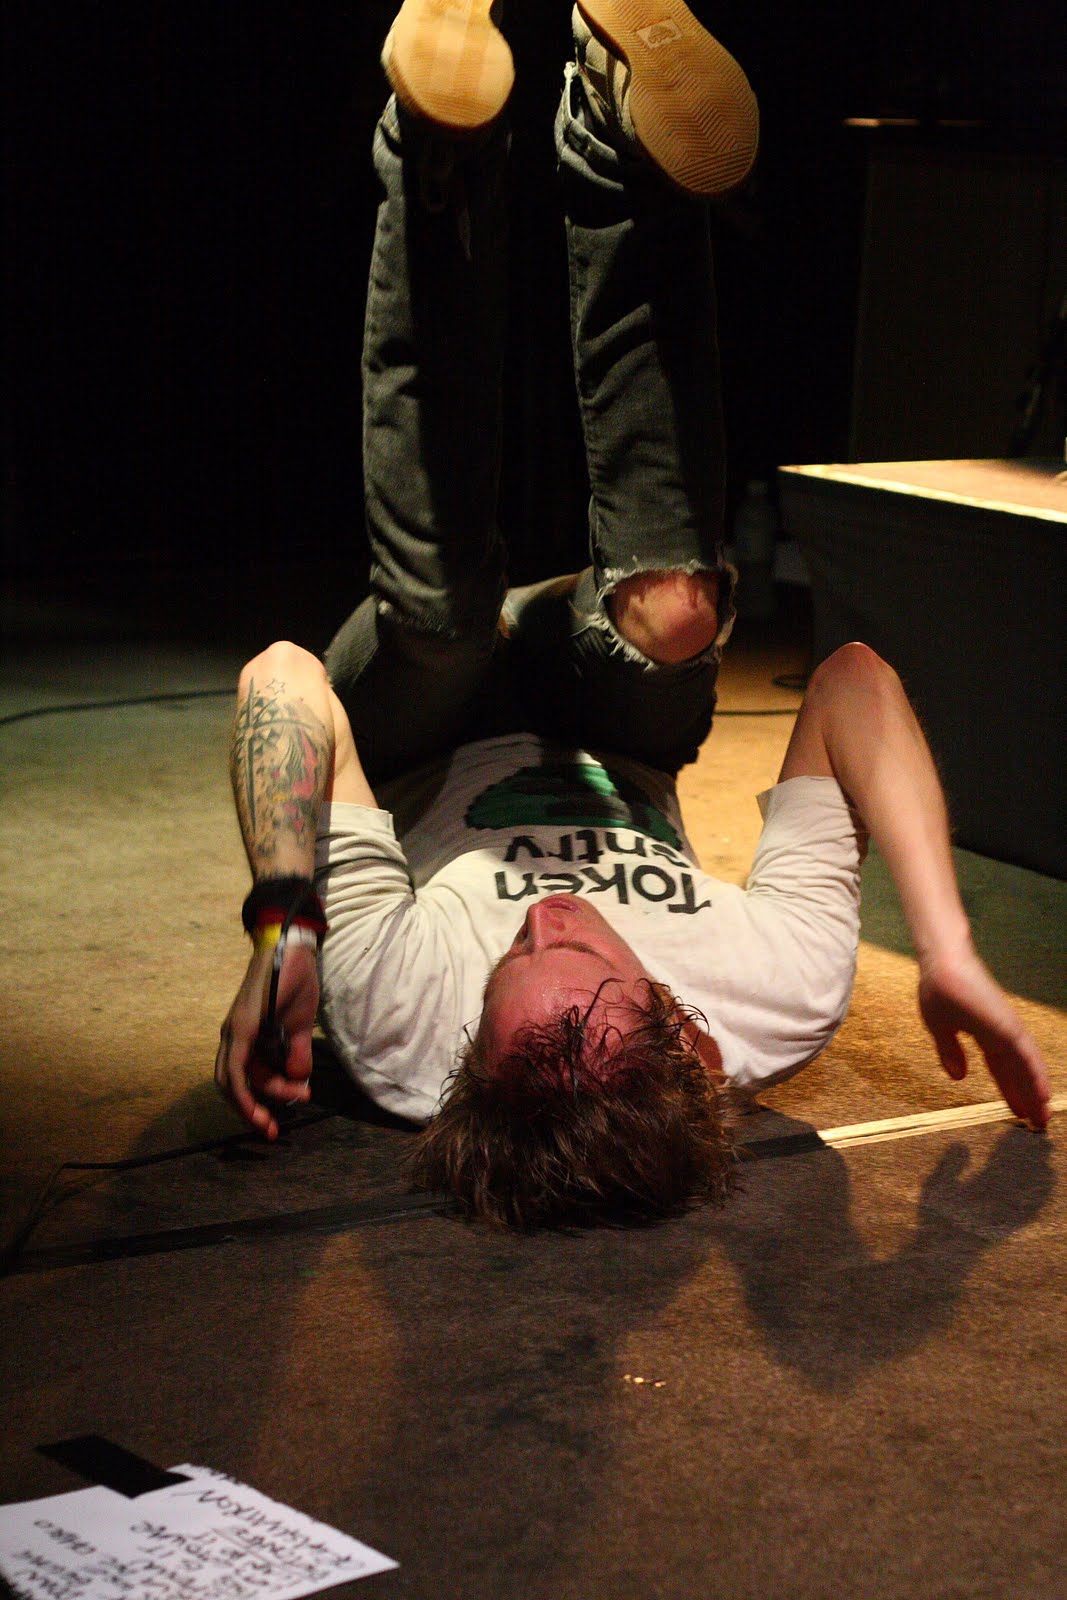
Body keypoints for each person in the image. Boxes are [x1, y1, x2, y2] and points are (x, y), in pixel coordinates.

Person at [215, 0, 1050, 1226]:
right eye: (587, 949)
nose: (547, 915)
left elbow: (283, 679)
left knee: (437, 618)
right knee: (673, 610)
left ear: (466, 1056)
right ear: (688, 1036)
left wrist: (284, 927)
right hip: (610, 727)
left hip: (427, 729)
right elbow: (854, 683)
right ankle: (612, 136)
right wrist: (946, 946)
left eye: (514, 953)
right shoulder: (769, 996)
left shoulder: (396, 1028)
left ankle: (439, 148)